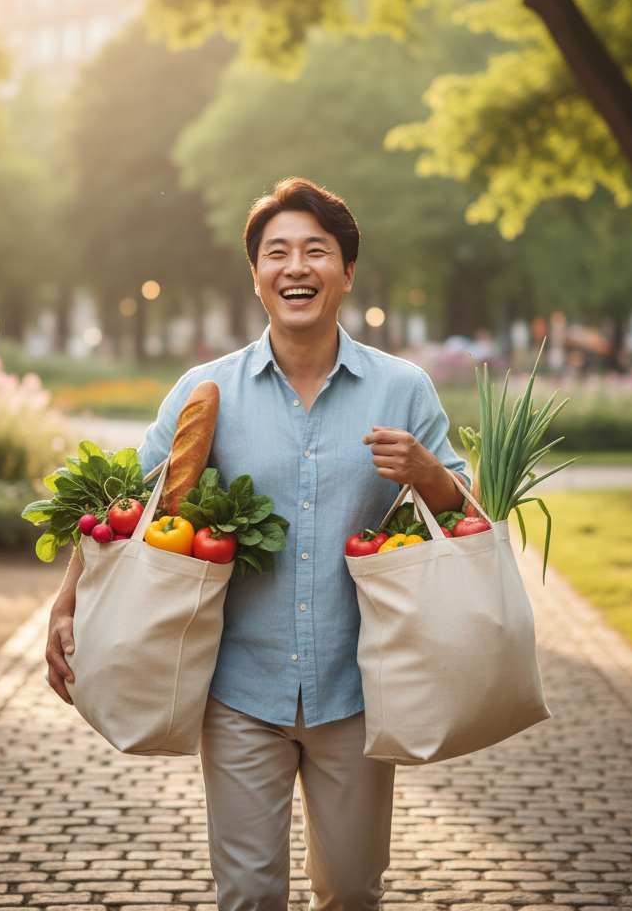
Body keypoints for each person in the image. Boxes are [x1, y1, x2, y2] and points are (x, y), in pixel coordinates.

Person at [46, 178, 467, 911]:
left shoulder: (402, 389)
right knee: (247, 894)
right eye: (278, 253)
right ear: (256, 274)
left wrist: (431, 475)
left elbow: (470, 520)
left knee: (353, 892)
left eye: (316, 251)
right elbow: (128, 508)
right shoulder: (204, 391)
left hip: (358, 690)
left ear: (348, 272)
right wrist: (66, 602)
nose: (296, 267)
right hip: (239, 691)